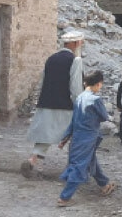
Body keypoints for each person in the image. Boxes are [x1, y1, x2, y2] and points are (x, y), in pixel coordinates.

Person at [21, 30, 85, 178]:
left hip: (46, 102)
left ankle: (33, 159)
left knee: (45, 134)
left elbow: (43, 81)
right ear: (75, 43)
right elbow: (75, 87)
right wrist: (80, 105)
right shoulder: (75, 60)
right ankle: (73, 168)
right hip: (64, 105)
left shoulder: (51, 59)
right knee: (74, 135)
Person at [57, 70, 116, 207]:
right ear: (98, 84)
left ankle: (104, 184)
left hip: (77, 136)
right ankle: (64, 198)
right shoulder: (95, 99)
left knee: (90, 161)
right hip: (89, 137)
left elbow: (74, 120)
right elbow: (104, 117)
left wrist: (65, 137)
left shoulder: (79, 97)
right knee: (79, 166)